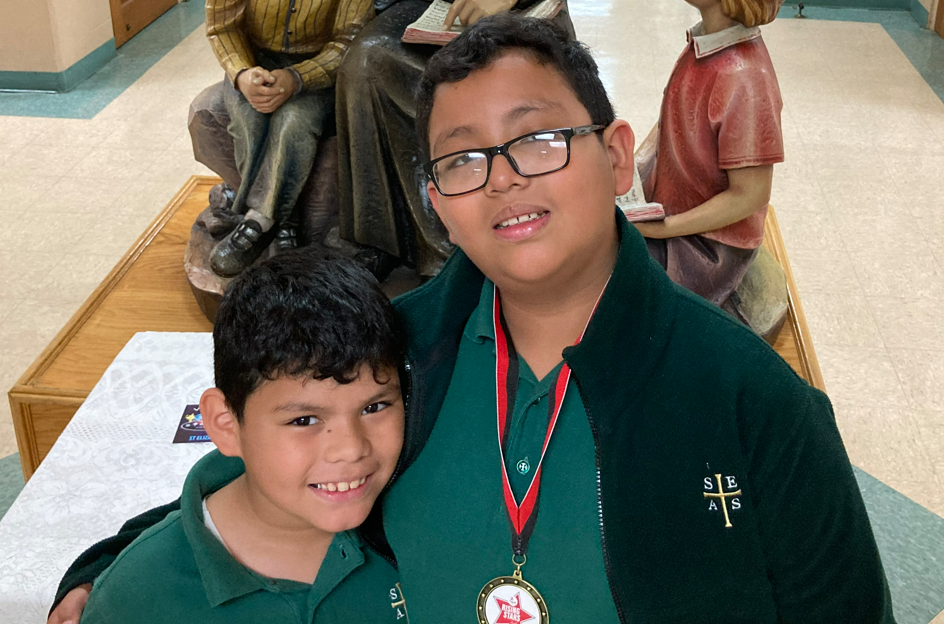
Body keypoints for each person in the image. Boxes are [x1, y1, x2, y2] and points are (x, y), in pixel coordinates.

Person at [50, 14, 893, 624]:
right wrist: (112, 567)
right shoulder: (403, 354)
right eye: (461, 159)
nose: (502, 179)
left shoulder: (754, 403)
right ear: (436, 204)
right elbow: (282, 472)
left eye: (538, 140)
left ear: (612, 155)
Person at [77, 250, 409, 623]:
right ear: (224, 424)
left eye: (374, 407)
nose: (351, 449)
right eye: (304, 420)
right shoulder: (135, 598)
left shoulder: (424, 533)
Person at [334, 0, 575, 278]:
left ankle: (460, 253)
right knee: (363, 63)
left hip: (520, 8)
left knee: (495, 78)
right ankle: (381, 238)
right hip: (432, 8)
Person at [635, 0, 785, 321]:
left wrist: (666, 229)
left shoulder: (744, 79)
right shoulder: (704, 47)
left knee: (620, 296)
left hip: (710, 245)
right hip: (673, 205)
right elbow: (671, 121)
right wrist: (633, 168)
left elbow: (751, 193)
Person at [204, 0, 374, 277]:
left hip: (316, 70)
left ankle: (259, 222)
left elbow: (348, 40)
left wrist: (298, 78)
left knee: (295, 123)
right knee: (249, 121)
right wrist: (242, 73)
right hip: (253, 62)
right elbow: (222, 27)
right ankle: (285, 221)